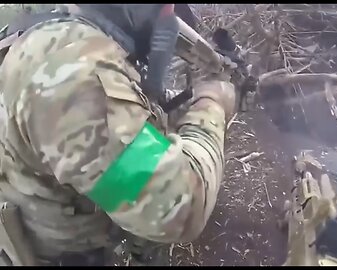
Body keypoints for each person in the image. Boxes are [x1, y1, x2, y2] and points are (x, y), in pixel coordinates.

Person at [0, 3, 237, 266]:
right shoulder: (78, 78)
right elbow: (178, 211)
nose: (169, 14)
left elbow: (128, 102)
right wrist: (213, 104)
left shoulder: (62, 35)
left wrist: (180, 104)